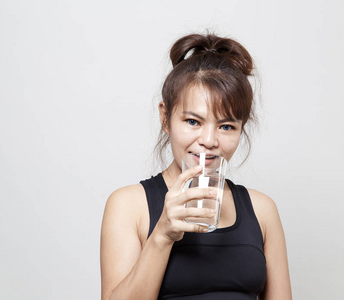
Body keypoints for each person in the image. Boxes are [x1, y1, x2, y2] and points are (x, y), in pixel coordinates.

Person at [100, 32, 292, 300]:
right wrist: (163, 235)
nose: (209, 141)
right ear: (165, 119)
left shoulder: (262, 210)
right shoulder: (129, 205)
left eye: (226, 126)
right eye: (193, 122)